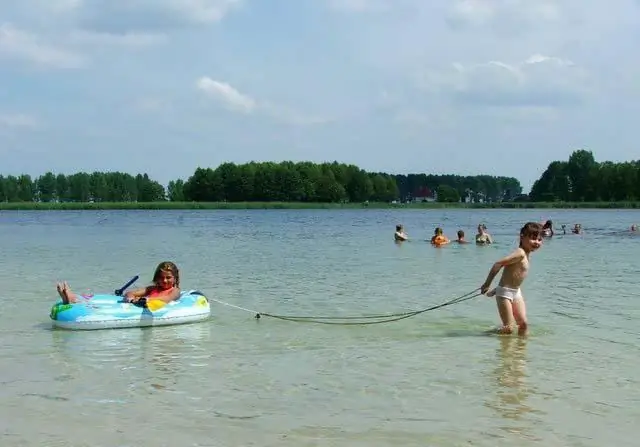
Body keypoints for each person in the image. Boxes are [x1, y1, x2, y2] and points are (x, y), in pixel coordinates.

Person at [480, 222, 543, 336]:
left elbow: (512, 275)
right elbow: (498, 264)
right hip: (505, 293)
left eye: (539, 239)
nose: (537, 242)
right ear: (522, 236)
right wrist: (487, 284)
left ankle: (520, 350)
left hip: (516, 292)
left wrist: (495, 289)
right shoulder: (520, 253)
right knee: (509, 328)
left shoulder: (527, 253)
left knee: (523, 324)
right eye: (533, 238)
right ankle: (487, 334)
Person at [56, 261, 181, 305]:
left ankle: (72, 299)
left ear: (175, 278)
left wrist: (146, 301)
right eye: (161, 277)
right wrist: (130, 297)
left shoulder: (174, 291)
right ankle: (72, 298)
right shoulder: (151, 289)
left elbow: (167, 299)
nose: (164, 281)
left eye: (168, 278)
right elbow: (131, 292)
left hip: (148, 306)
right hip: (137, 305)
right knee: (99, 302)